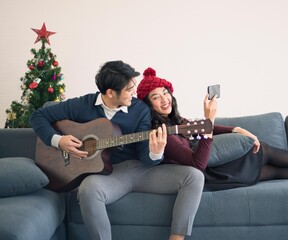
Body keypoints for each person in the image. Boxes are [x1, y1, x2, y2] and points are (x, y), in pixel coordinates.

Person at [30, 60, 204, 240]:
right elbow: (38, 116)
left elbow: (146, 157)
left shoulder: (140, 109)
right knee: (88, 189)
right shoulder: (83, 105)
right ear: (111, 93)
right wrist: (59, 140)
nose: (134, 92)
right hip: (109, 175)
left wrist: (155, 152)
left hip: (141, 169)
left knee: (194, 176)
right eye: (129, 89)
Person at [136, 67, 288, 191]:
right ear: (148, 104)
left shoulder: (175, 120)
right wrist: (209, 122)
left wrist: (237, 129)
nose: (164, 99)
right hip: (211, 175)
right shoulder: (162, 134)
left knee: (273, 171)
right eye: (156, 97)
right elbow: (197, 164)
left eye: (165, 92)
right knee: (263, 151)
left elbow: (203, 128)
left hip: (216, 168)